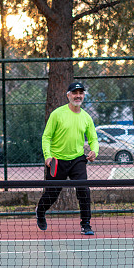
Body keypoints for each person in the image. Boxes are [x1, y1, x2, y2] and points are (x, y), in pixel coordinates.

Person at [35, 82, 98, 235]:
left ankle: (86, 224)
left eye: (81, 93)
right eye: (75, 93)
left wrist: (94, 151)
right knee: (51, 194)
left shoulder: (86, 117)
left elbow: (93, 139)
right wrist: (48, 156)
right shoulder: (57, 114)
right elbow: (46, 137)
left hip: (77, 159)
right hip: (57, 160)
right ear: (68, 95)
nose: (78, 96)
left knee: (83, 190)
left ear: (83, 95)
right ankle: (40, 211)